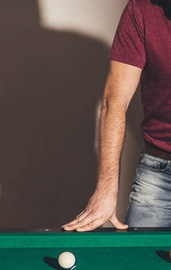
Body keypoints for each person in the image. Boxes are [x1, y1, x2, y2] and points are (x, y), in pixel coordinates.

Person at [63, 0, 171, 231]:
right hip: (159, 174)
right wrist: (106, 190)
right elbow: (115, 102)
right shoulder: (141, 9)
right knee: (139, 265)